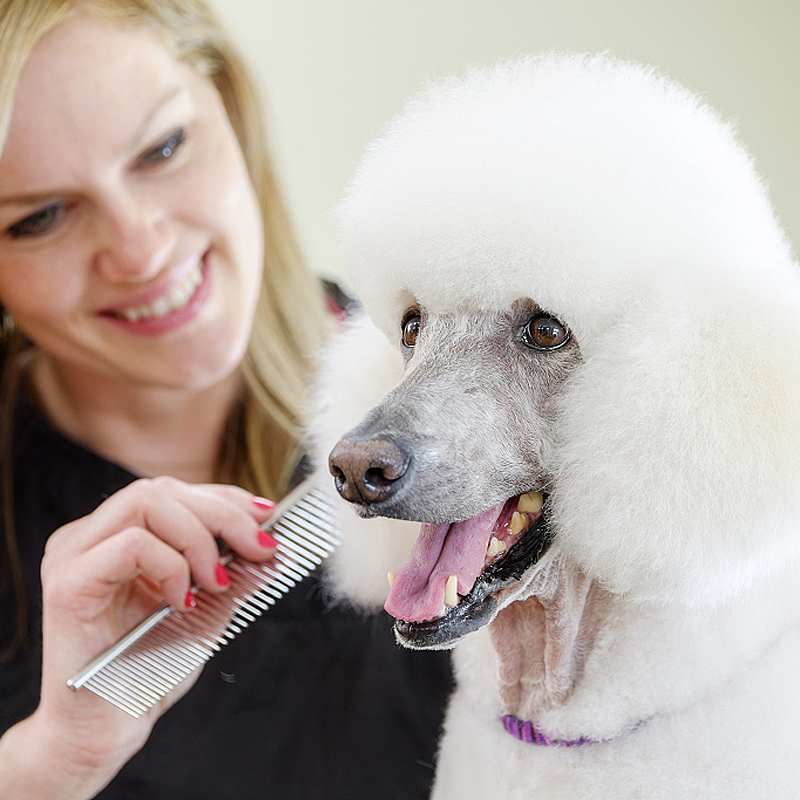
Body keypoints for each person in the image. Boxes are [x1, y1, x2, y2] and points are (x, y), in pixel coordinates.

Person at [0, 1, 452, 798]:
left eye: (162, 148)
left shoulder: (466, 396)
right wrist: (52, 763)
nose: (140, 251)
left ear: (231, 107)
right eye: (39, 217)